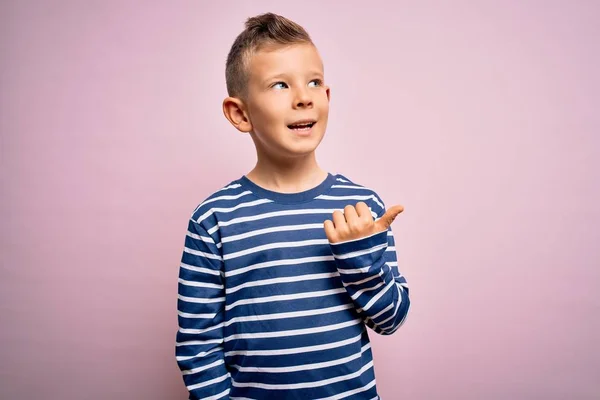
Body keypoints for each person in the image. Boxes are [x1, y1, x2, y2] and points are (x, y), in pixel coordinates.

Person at [175, 12, 410, 400]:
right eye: (280, 85)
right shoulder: (213, 220)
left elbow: (391, 319)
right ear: (241, 113)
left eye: (314, 82)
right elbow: (197, 347)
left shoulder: (362, 208)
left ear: (327, 98)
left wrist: (359, 261)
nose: (304, 97)